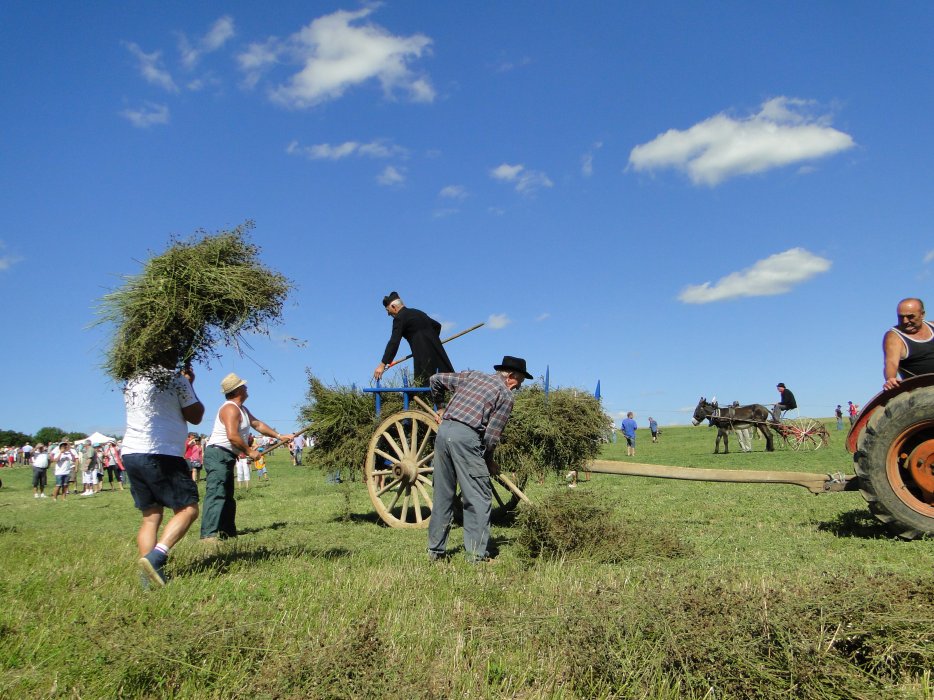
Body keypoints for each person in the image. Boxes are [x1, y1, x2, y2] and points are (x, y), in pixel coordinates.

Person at [427, 355, 530, 563]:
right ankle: (475, 555)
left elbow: (434, 379)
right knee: (479, 497)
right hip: (466, 438)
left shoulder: (472, 376)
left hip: (443, 432)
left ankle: (435, 552)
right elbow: (491, 436)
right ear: (511, 376)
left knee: (443, 495)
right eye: (519, 383)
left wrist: (440, 407)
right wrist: (488, 460)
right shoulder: (505, 396)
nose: (517, 388)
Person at [121, 366, 205, 588]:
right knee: (189, 509)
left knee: (151, 516)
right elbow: (196, 416)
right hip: (161, 452)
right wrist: (190, 383)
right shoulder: (176, 378)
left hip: (131, 452)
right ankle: (157, 557)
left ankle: (148, 579)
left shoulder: (132, 378)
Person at [201, 373, 291, 541]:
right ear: (238, 390)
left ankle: (227, 533)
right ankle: (208, 536)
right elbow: (232, 436)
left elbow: (257, 424)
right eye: (244, 386)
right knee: (216, 493)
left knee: (227, 496)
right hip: (218, 454)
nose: (247, 387)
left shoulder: (242, 409)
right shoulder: (229, 408)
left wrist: (279, 436)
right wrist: (250, 452)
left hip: (227, 455)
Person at [373, 291, 454, 386]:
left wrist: (382, 364)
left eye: (388, 310)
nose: (388, 314)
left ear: (394, 307)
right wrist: (432, 342)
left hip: (423, 357)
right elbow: (437, 326)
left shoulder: (399, 318)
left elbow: (394, 342)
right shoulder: (418, 312)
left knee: (426, 386)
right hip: (438, 353)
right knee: (448, 382)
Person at [883, 298, 934, 390]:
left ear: (922, 314)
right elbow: (891, 363)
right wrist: (890, 378)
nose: (905, 321)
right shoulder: (894, 337)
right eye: (901, 317)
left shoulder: (932, 326)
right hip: (923, 388)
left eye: (910, 316)